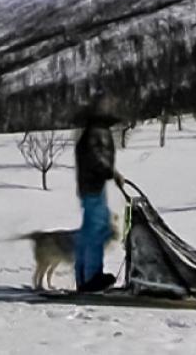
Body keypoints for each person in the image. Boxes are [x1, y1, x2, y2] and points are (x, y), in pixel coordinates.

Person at [73, 102, 124, 293]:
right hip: (94, 186)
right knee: (96, 230)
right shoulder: (97, 133)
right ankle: (91, 277)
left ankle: (82, 276)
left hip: (90, 187)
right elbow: (96, 158)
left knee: (88, 233)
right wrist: (112, 172)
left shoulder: (89, 132)